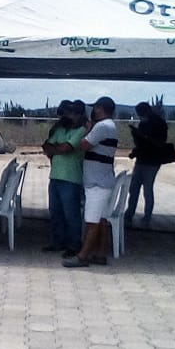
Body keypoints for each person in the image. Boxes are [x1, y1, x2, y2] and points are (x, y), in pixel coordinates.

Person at [64, 95, 118, 268]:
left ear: (100, 108)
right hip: (104, 178)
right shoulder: (111, 126)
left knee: (92, 221)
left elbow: (84, 145)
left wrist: (88, 129)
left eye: (95, 107)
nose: (93, 110)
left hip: (96, 182)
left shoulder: (101, 127)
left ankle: (82, 256)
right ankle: (101, 254)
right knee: (101, 220)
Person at [41, 99, 86, 256]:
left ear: (78, 115)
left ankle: (74, 245)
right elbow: (46, 146)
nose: (66, 116)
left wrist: (55, 149)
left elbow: (67, 147)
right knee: (55, 212)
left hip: (71, 178)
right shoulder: (60, 129)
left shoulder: (82, 130)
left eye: (70, 113)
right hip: (55, 176)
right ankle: (57, 242)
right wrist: (57, 148)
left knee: (71, 214)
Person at [126, 100, 172, 226]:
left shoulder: (157, 124)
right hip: (146, 159)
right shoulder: (151, 123)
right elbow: (141, 143)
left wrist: (141, 136)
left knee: (143, 189)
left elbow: (157, 143)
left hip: (151, 160)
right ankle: (135, 215)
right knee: (138, 188)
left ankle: (140, 215)